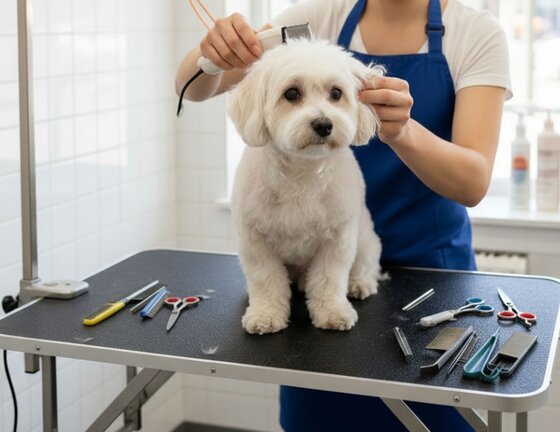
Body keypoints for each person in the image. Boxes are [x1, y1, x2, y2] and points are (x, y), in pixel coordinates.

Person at [176, 0, 511, 429]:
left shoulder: (476, 32)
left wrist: (403, 131)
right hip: (314, 277)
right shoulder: (314, 20)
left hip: (431, 275)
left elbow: (473, 183)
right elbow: (197, 85)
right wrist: (208, 55)